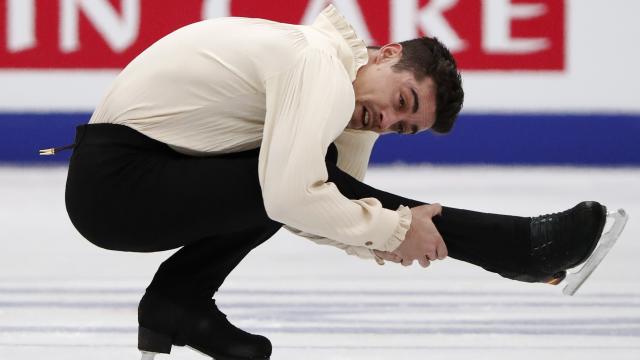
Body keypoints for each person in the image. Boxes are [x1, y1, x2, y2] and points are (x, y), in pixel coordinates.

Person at [51, 5, 610, 360]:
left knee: (295, 176)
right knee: (289, 178)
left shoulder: (345, 107)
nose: (387, 121)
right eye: (402, 101)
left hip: (139, 181)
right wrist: (392, 231)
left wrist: (386, 236)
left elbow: (313, 207)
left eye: (404, 127)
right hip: (116, 184)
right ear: (386, 54)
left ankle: (178, 304)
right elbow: (296, 196)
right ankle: (517, 247)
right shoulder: (316, 62)